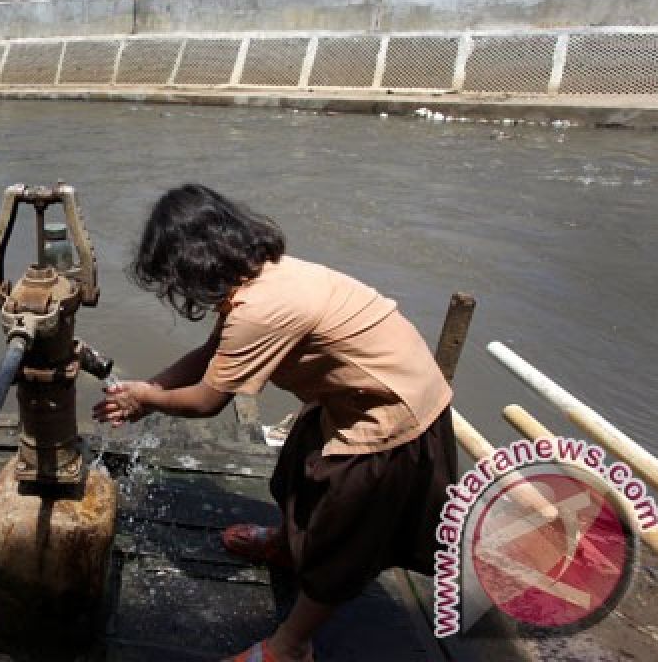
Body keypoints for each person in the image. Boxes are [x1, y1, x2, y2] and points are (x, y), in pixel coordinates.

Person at [93, 184, 457, 662]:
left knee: (342, 542)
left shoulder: (259, 310)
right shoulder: (260, 277)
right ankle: (287, 546)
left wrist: (150, 399)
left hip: (394, 418)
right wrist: (150, 388)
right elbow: (209, 355)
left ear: (190, 265)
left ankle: (290, 646)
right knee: (295, 474)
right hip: (351, 397)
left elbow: (206, 402)